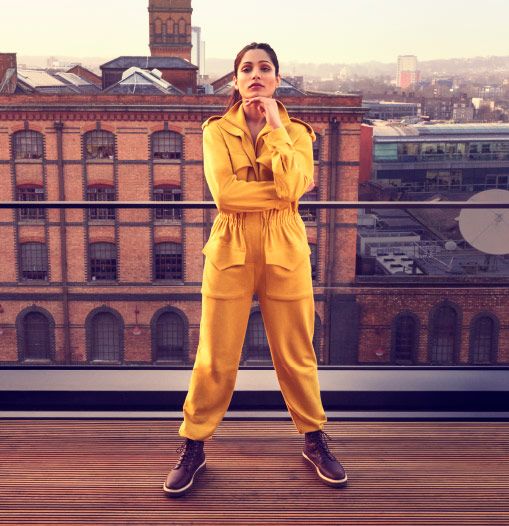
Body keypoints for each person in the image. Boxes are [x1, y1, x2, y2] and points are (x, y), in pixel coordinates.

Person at [163, 42, 348, 498]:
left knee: (295, 353)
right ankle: (194, 445)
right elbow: (226, 196)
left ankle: (313, 438)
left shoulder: (298, 132)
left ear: (277, 78)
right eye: (246, 69)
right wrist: (281, 191)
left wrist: (277, 129)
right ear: (236, 79)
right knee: (216, 356)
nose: (255, 75)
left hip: (284, 245)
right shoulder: (215, 131)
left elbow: (296, 183)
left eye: (264, 68)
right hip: (230, 245)